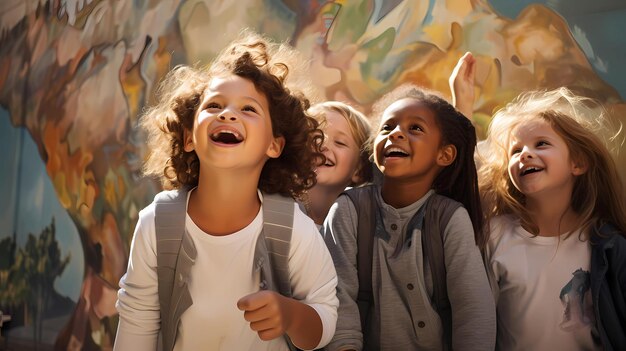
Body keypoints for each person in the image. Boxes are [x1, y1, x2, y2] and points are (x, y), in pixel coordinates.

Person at [114, 31, 339, 351]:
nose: (228, 113)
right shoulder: (158, 223)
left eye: (249, 109)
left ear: (275, 145)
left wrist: (291, 315)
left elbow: (326, 316)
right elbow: (137, 322)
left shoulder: (290, 226)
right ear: (189, 136)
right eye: (214, 105)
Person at [322, 84, 496, 350]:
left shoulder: (450, 218)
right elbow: (339, 301)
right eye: (387, 127)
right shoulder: (348, 211)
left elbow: (473, 312)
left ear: (445, 154)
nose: (396, 134)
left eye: (415, 128)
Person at [479, 87, 626, 350]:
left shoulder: (608, 244)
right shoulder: (496, 234)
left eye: (541, 144)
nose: (524, 154)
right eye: (515, 151)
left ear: (578, 163)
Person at [299, 101, 373, 227]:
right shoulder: (278, 205)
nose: (323, 145)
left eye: (340, 142)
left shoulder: (359, 229)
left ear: (359, 169)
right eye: (316, 137)